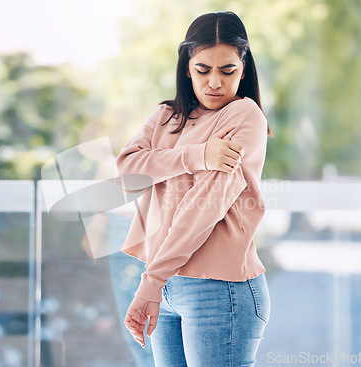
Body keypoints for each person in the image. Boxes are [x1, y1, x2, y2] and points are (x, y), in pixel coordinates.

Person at [115, 10, 273, 367]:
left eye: (227, 70)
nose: (214, 83)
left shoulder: (243, 116)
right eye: (203, 70)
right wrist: (196, 155)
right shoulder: (166, 116)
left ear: (244, 69)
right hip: (165, 285)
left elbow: (205, 205)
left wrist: (151, 281)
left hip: (218, 291)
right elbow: (127, 170)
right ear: (187, 67)